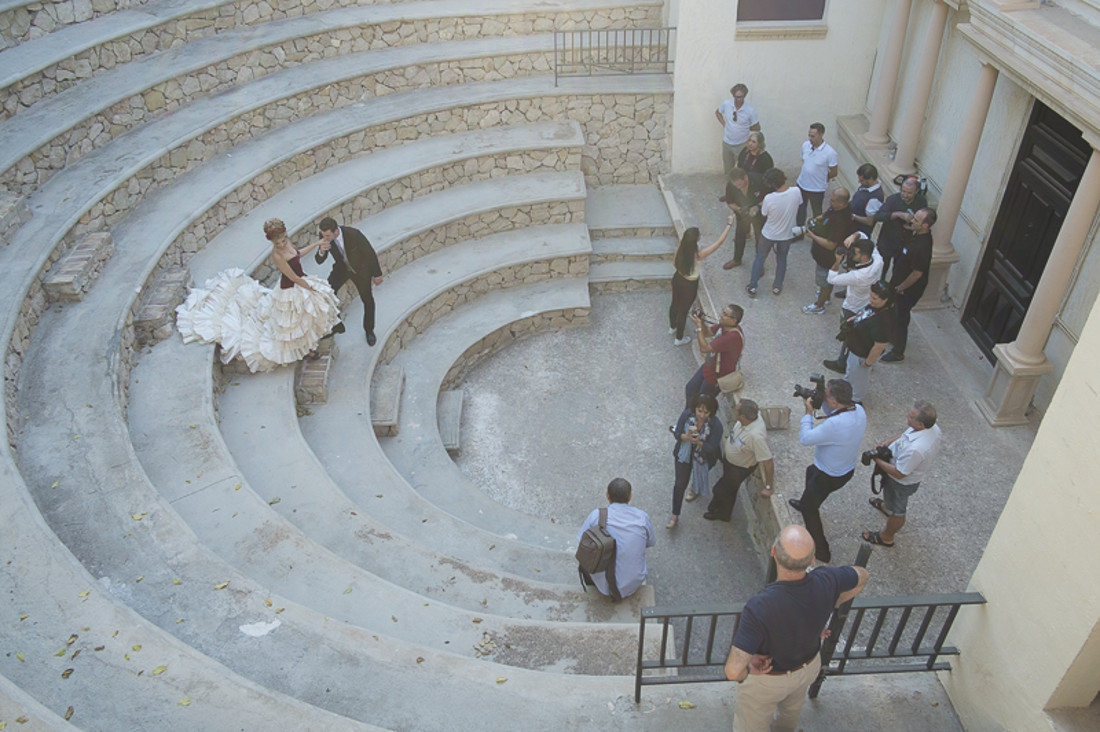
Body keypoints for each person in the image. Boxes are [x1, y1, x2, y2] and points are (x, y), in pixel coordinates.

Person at [724, 525, 869, 732]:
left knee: (752, 724)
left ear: (773, 552)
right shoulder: (827, 580)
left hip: (769, 679)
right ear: (811, 560)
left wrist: (748, 668)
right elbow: (862, 576)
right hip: (808, 667)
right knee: (791, 713)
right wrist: (833, 603)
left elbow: (733, 671)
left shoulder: (759, 607)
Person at [176, 218, 342, 373]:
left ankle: (309, 347)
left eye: (284, 241)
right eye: (278, 243)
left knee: (308, 316)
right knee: (294, 323)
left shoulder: (287, 244)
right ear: (273, 243)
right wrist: (311, 287)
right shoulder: (277, 255)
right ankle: (307, 351)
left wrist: (317, 243)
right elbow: (292, 277)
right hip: (292, 287)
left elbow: (297, 254)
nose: (282, 244)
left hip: (302, 281)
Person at [788, 379, 866, 564]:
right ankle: (805, 501)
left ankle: (822, 551)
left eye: (826, 395)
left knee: (810, 508)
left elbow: (806, 438)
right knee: (810, 471)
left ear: (835, 402)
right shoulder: (858, 410)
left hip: (828, 475)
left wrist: (808, 412)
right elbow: (834, 412)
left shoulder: (835, 425)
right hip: (843, 469)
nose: (822, 396)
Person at [862, 401, 942, 548]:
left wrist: (876, 458)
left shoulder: (917, 449)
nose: (907, 416)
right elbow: (906, 434)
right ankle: (887, 506)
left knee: (898, 511)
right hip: (899, 476)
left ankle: (886, 536)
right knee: (891, 501)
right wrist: (887, 443)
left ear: (921, 425)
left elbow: (899, 473)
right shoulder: (932, 428)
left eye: (911, 417)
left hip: (899, 484)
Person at [577, 477, 656, 599]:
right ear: (630, 497)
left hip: (602, 586)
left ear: (607, 496)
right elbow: (650, 542)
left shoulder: (596, 516)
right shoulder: (642, 518)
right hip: (633, 583)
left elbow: (581, 542)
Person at [314, 216, 384, 345]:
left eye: (328, 235)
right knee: (326, 292)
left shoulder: (354, 234)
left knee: (367, 300)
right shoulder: (325, 236)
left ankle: (369, 330)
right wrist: (321, 251)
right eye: (323, 235)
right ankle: (336, 324)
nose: (325, 238)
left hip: (360, 271)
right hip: (341, 269)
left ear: (336, 231)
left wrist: (377, 274)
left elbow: (370, 253)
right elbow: (319, 260)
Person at [705, 398, 774, 522]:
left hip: (738, 468)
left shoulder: (756, 436)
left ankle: (720, 512)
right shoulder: (749, 418)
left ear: (743, 416)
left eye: (736, 410)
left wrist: (768, 487)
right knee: (730, 490)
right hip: (731, 462)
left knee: (720, 489)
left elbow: (768, 461)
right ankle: (721, 511)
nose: (734, 410)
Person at [882, 207, 936, 363]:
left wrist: (901, 287)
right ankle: (893, 336)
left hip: (907, 290)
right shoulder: (917, 235)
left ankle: (898, 352)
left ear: (926, 225)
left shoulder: (923, 246)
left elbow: (917, 273)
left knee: (901, 318)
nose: (912, 221)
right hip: (898, 282)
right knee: (894, 312)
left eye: (916, 220)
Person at [823, 233, 884, 373]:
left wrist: (838, 260)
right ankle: (863, 358)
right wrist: (854, 236)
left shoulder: (858, 276)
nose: (852, 255)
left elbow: (831, 279)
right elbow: (865, 236)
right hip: (867, 306)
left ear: (863, 257)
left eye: (855, 253)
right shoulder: (878, 261)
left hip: (852, 308)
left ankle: (842, 363)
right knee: (862, 336)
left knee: (849, 337)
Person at [669, 217, 732, 345]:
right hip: (689, 284)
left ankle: (672, 327)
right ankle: (679, 339)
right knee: (683, 310)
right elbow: (719, 243)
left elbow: (674, 263)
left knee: (674, 303)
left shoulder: (681, 247)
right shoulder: (698, 255)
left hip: (678, 278)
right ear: (696, 239)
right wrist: (729, 224)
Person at [667, 393, 723, 529]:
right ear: (695, 408)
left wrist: (699, 442)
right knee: (680, 484)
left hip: (703, 457)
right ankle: (675, 515)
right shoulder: (687, 415)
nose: (702, 415)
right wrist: (685, 437)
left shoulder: (716, 425)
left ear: (711, 411)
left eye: (706, 412)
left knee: (698, 476)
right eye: (699, 410)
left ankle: (694, 488)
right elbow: (677, 433)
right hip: (684, 455)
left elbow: (712, 448)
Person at [799, 187, 857, 314]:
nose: (830, 200)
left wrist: (812, 235)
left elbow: (831, 245)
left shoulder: (840, 221)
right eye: (831, 197)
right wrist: (815, 220)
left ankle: (819, 305)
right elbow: (826, 214)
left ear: (842, 203)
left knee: (825, 281)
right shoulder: (837, 209)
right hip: (822, 255)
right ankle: (826, 297)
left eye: (834, 200)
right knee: (826, 281)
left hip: (828, 258)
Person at [747, 168, 801, 297]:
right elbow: (799, 204)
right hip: (787, 234)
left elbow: (764, 213)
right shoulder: (796, 191)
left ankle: (753, 286)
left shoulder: (769, 198)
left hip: (769, 234)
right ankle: (777, 286)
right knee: (782, 259)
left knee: (760, 258)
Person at [839, 281, 896, 404]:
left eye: (874, 298)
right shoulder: (875, 307)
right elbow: (865, 313)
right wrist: (853, 319)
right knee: (851, 372)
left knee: (859, 380)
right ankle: (846, 387)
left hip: (861, 354)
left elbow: (880, 345)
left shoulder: (883, 321)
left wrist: (867, 363)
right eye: (870, 296)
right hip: (854, 347)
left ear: (885, 299)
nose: (871, 300)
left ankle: (854, 401)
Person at [684, 304, 745, 408]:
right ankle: (688, 416)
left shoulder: (732, 337)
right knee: (690, 389)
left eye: (725, 314)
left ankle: (694, 420)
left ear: (734, 320)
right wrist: (702, 321)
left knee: (702, 403)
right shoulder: (724, 326)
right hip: (709, 366)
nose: (720, 315)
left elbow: (704, 348)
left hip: (717, 376)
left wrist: (698, 328)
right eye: (723, 311)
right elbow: (707, 332)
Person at [872, 177, 927, 280]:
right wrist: (897, 214)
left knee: (899, 271)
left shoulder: (921, 202)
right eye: (903, 191)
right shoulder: (892, 200)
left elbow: (923, 221)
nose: (905, 195)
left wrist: (913, 226)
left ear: (917, 191)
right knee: (881, 269)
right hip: (887, 241)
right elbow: (878, 216)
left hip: (905, 242)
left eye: (909, 193)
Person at [715, 83, 761, 183]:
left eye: (740, 97)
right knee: (728, 170)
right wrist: (724, 124)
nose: (738, 99)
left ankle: (740, 192)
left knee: (741, 170)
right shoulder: (727, 104)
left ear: (744, 96)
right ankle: (729, 190)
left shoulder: (750, 110)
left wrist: (745, 127)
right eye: (736, 97)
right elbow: (717, 112)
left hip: (742, 145)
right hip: (727, 143)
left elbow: (757, 127)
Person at [794, 122, 838, 228]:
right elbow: (803, 160)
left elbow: (834, 171)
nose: (810, 138)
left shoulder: (830, 153)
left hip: (817, 188)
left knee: (817, 212)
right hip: (802, 184)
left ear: (821, 134)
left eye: (813, 136)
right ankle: (799, 231)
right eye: (809, 135)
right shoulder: (805, 145)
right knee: (800, 209)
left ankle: (816, 231)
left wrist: (823, 178)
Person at [720, 169, 758, 269]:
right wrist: (739, 209)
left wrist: (757, 207)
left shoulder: (758, 180)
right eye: (736, 186)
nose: (738, 187)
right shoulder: (732, 185)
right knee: (739, 236)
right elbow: (730, 202)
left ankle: (759, 263)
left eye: (740, 184)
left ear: (745, 177)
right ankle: (737, 259)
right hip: (742, 214)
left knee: (760, 239)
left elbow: (767, 198)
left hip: (758, 213)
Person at [849, 163, 885, 236]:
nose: (859, 182)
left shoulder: (875, 198)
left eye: (862, 180)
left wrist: (853, 216)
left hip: (858, 233)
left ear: (871, 179)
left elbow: (869, 221)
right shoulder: (866, 186)